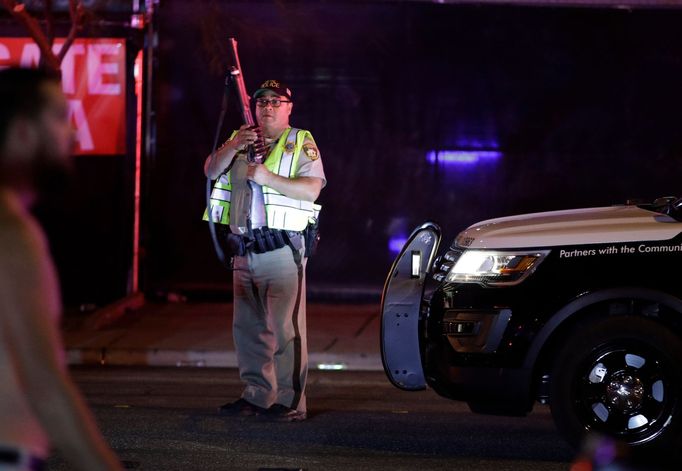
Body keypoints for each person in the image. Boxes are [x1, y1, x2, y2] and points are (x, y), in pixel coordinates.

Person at [0, 67, 123, 470]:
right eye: (58, 117)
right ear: (21, 132)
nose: (71, 134)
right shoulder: (10, 232)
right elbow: (44, 381)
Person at [204, 79, 326, 422]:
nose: (268, 107)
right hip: (244, 251)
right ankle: (256, 394)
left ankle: (290, 401)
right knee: (248, 329)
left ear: (289, 108)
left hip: (282, 251)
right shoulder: (240, 141)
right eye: (262, 102)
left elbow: (312, 189)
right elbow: (211, 171)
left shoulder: (300, 141)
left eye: (276, 101)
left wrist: (267, 177)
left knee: (286, 329)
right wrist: (232, 145)